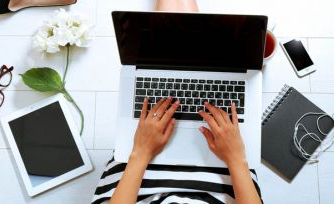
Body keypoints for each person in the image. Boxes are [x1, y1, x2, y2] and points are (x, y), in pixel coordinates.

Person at [91, 1, 262, 203]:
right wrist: (236, 159)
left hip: (141, 171)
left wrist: (141, 152)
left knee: (167, 38)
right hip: (228, 170)